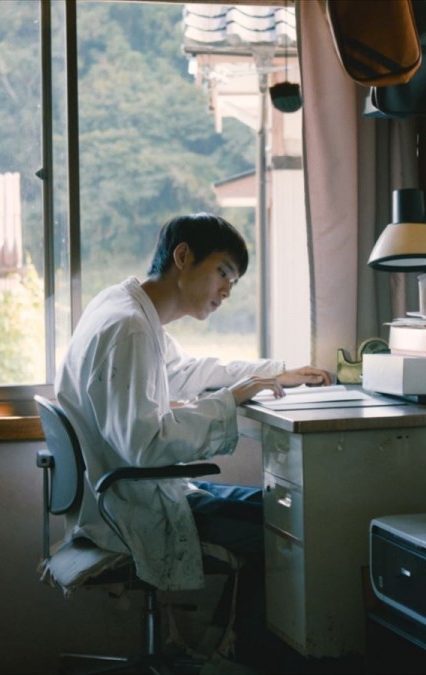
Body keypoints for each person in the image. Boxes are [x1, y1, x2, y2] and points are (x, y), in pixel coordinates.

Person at [55, 212, 331, 665]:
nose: (226, 291)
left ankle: (225, 651)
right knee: (290, 529)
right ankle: (242, 659)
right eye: (223, 273)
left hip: (124, 490)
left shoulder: (125, 307)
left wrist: (273, 373)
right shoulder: (128, 327)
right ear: (183, 257)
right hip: (129, 503)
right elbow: (146, 444)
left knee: (284, 514)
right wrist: (231, 399)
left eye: (233, 282)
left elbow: (184, 372)